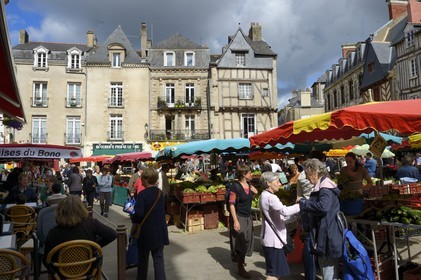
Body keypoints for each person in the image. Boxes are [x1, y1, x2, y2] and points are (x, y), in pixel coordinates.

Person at [298, 158, 343, 280]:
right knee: (328, 270)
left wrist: (304, 203)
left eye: (307, 174)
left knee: (328, 272)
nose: (307, 178)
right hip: (327, 233)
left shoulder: (325, 187)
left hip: (328, 235)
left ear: (314, 172)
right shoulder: (324, 185)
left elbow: (323, 207)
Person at [43, 195, 117, 265]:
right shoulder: (91, 223)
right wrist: (94, 245)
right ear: (81, 209)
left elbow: (46, 260)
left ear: (60, 211)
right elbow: (112, 234)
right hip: (88, 269)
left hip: (62, 274)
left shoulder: (53, 233)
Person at [259, 172, 301, 280]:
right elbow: (284, 211)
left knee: (276, 272)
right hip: (273, 240)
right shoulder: (271, 198)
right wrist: (300, 205)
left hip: (270, 239)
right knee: (273, 274)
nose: (279, 184)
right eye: (277, 181)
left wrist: (293, 217)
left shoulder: (263, 195)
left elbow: (278, 216)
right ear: (268, 183)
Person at [131, 168, 169, 280]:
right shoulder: (159, 193)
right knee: (158, 259)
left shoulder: (142, 195)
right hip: (159, 231)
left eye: (142, 177)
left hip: (146, 232)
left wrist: (132, 214)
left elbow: (139, 215)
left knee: (143, 259)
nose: (140, 180)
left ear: (146, 179)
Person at [228, 164, 258, 279]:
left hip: (248, 217)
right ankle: (240, 267)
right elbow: (231, 204)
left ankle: (241, 260)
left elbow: (247, 200)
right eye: (250, 173)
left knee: (248, 241)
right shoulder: (235, 187)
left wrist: (254, 193)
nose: (252, 174)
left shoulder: (249, 185)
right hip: (239, 217)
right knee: (241, 242)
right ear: (243, 174)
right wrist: (235, 221)